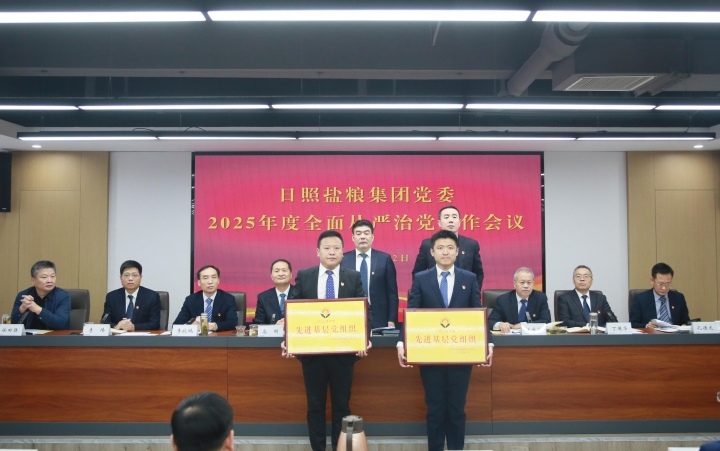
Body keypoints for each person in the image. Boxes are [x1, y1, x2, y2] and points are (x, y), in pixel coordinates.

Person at [397, 230, 493, 451]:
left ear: (457, 251)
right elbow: (411, 312)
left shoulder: (468, 278)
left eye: (450, 247)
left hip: (461, 354)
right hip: (430, 355)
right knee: (435, 408)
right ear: (432, 252)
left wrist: (488, 342)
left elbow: (477, 312)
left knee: (457, 408)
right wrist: (402, 343)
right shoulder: (421, 279)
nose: (445, 252)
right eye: (440, 248)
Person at [284, 230, 368, 451]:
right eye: (327, 248)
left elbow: (363, 311)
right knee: (315, 406)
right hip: (313, 355)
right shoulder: (305, 275)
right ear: (318, 251)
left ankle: (339, 448)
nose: (332, 252)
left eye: (337, 248)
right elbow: (293, 311)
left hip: (343, 355)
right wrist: (289, 340)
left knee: (342, 406)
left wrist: (364, 339)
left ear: (343, 251)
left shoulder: (353, 276)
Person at [340, 219, 399, 329]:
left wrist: (392, 319)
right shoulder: (343, 259)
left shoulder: (384, 259)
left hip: (380, 316)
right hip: (351, 315)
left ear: (372, 237)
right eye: (358, 233)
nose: (362, 237)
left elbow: (392, 293)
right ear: (353, 238)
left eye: (366, 233)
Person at [412, 205, 484, 292]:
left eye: (454, 217)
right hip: (434, 295)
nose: (451, 220)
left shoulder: (471, 244)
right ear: (439, 223)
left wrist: (473, 293)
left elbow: (478, 273)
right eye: (446, 217)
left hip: (463, 295)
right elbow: (418, 273)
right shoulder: (428, 244)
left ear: (459, 222)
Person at [173, 265, 239, 332]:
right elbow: (176, 324)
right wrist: (192, 325)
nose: (210, 282)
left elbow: (232, 323)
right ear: (199, 282)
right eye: (205, 278)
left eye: (213, 277)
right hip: (197, 337)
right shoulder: (190, 300)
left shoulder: (228, 299)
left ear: (218, 280)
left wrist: (210, 326)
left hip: (219, 337)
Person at [488, 267, 551, 333]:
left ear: (533, 283)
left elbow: (546, 321)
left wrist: (523, 325)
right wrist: (500, 325)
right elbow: (490, 322)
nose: (526, 286)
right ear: (514, 283)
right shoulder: (503, 300)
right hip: (509, 337)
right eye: (522, 282)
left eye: (529, 282)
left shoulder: (540, 298)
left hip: (532, 337)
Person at [11, 260, 70, 330]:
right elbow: (12, 323)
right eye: (44, 277)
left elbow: (61, 323)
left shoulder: (63, 296)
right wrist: (22, 308)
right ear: (33, 280)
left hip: (54, 336)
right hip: (28, 336)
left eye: (52, 276)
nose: (50, 280)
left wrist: (38, 309)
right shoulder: (24, 295)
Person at [103, 260, 161, 330]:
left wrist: (133, 327)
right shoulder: (112, 297)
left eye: (134, 275)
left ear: (140, 278)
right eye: (126, 275)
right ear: (120, 278)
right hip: (118, 335)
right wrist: (117, 326)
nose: (130, 279)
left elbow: (155, 324)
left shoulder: (151, 297)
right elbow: (105, 322)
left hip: (141, 336)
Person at [630, 262, 690, 329]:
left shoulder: (678, 298)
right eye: (660, 284)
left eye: (668, 284)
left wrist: (685, 326)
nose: (664, 288)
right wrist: (646, 326)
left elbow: (686, 321)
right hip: (651, 334)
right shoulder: (641, 299)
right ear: (652, 280)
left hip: (674, 334)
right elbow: (632, 324)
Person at [253, 259, 295, 325]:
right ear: (271, 276)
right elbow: (258, 323)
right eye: (276, 271)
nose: (280, 274)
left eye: (284, 270)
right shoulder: (263, 297)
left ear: (291, 275)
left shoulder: (300, 294)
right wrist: (274, 327)